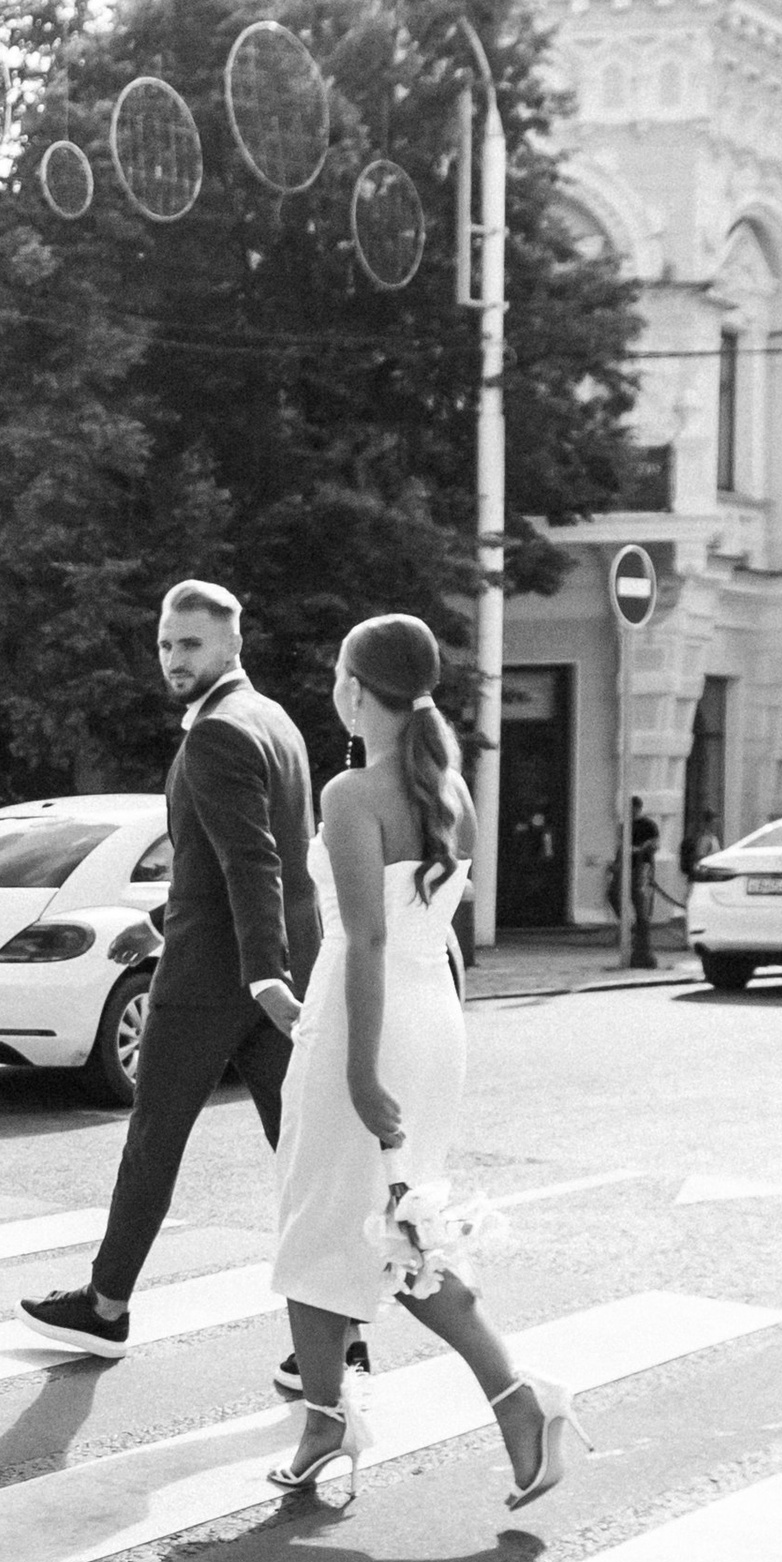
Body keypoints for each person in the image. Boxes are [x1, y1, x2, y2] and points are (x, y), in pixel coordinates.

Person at [265, 614, 575, 1516]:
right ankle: (335, 1419)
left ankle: (514, 1401)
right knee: (397, 1232)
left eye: (335, 675)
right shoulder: (453, 795)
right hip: (429, 1020)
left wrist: (359, 1069)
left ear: (357, 688)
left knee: (328, 1230)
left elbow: (363, 938)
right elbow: (424, 942)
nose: (333, 690)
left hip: (369, 1023)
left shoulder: (351, 794)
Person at [18, 580, 346, 1389]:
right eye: (165, 643)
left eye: (190, 644)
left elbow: (255, 861)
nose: (172, 659)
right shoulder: (275, 721)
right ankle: (338, 1334)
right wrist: (194, 919)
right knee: (302, 1157)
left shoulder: (219, 733)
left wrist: (261, 973)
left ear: (233, 643)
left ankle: (104, 1308)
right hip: (274, 968)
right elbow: (243, 852)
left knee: (153, 1143)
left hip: (219, 980)